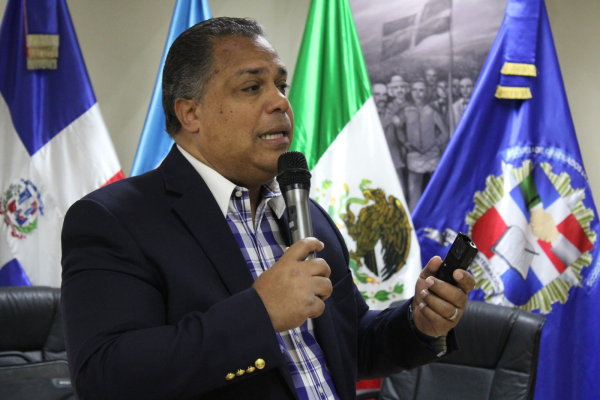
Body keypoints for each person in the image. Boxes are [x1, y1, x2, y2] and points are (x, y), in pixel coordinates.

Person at [61, 17, 474, 400]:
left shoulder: (306, 214)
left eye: (281, 85)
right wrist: (260, 313)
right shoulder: (114, 220)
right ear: (190, 113)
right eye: (251, 87)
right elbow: (105, 377)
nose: (280, 102)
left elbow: (349, 345)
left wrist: (419, 323)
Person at [401, 81, 449, 211]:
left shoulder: (432, 111)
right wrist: (405, 142)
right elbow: (398, 128)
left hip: (432, 155)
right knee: (414, 190)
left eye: (421, 90)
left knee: (437, 188)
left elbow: (445, 132)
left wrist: (435, 143)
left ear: (426, 93)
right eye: (415, 90)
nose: (418, 94)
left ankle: (437, 216)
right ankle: (414, 218)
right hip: (414, 156)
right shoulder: (406, 111)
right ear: (411, 92)